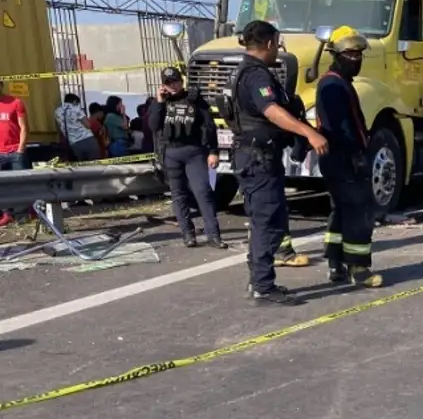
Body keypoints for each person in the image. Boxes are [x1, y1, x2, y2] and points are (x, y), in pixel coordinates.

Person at [225, 20, 327, 305]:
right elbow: (270, 110)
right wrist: (308, 131)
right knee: (267, 221)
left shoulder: (240, 71)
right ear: (269, 43)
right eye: (277, 42)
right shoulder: (256, 75)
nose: (278, 48)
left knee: (270, 219)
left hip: (254, 157)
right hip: (258, 159)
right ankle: (262, 286)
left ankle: (260, 282)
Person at [316, 25, 383, 288]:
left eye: (359, 55)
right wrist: (356, 155)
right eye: (351, 55)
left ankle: (335, 263)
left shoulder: (338, 82)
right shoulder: (333, 85)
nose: (357, 61)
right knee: (359, 212)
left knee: (341, 210)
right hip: (343, 159)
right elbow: (338, 127)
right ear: (337, 54)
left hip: (340, 158)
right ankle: (359, 268)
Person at [148, 66, 227, 249]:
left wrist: (214, 151)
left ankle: (213, 235)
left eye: (175, 81)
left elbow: (209, 126)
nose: (172, 85)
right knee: (179, 196)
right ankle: (188, 234)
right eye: (168, 83)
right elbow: (153, 126)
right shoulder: (159, 102)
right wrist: (159, 102)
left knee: (203, 192)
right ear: (163, 85)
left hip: (194, 152)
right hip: (171, 153)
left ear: (181, 81)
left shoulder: (194, 99)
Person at [0, 78, 28, 227]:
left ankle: (22, 215)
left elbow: (23, 127)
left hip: (15, 150)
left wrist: (20, 149)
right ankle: (7, 214)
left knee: (20, 184)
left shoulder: (15, 102)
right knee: (2, 185)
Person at [54, 93, 101, 162]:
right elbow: (88, 125)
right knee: (95, 164)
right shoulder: (75, 108)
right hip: (87, 139)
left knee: (82, 167)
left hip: (74, 143)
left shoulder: (57, 111)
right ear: (75, 101)